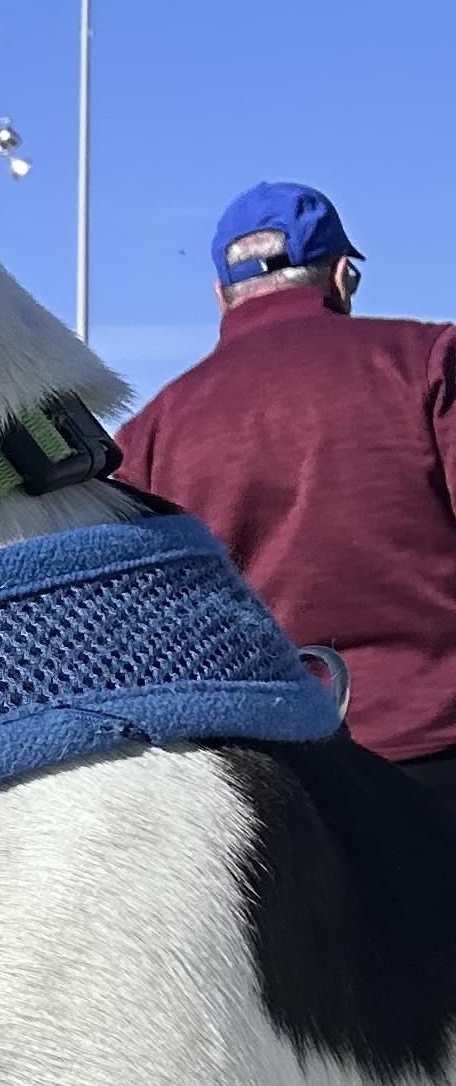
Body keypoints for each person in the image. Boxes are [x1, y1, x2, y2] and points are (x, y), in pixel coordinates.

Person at [115, 180, 456, 796]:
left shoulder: (151, 431)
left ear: (222, 295)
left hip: (259, 786)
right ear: (343, 275)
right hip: (431, 751)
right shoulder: (428, 360)